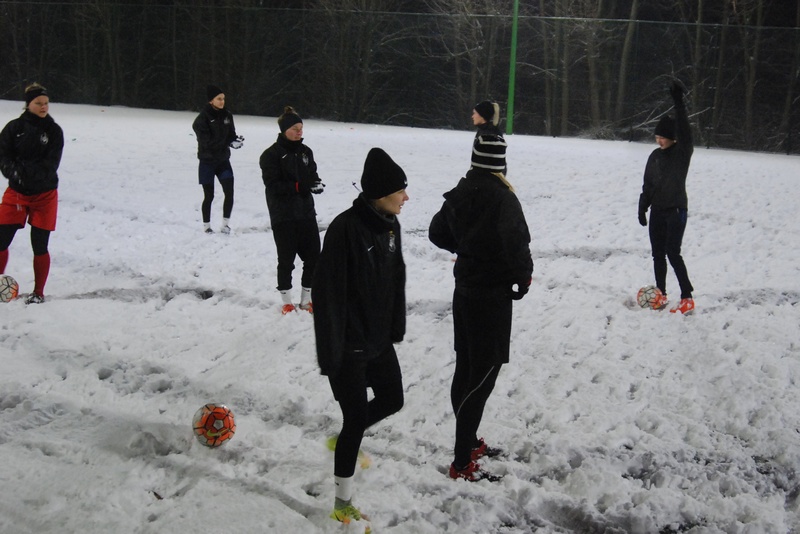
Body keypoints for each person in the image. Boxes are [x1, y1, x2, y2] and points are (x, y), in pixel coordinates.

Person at [429, 106, 533, 481]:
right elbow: (516, 242)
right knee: (484, 374)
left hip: (464, 292)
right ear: (501, 163)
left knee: (467, 366)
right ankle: (461, 462)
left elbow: (436, 233)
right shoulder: (504, 198)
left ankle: (469, 442)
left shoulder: (462, 190)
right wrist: (523, 277)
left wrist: (465, 248)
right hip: (491, 296)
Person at [313, 148, 408, 528]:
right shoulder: (344, 229)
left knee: (393, 399)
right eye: (401, 190)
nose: (406, 197)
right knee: (354, 421)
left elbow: (395, 279)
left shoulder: (390, 225)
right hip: (350, 345)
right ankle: (341, 502)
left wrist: (393, 327)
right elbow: (327, 293)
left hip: (379, 340)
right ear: (381, 193)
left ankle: (343, 440)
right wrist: (332, 352)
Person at [0, 83, 64, 304]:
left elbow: (50, 164)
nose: (44, 107)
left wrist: (26, 172)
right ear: (28, 104)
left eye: (46, 103)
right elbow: (4, 157)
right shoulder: (13, 128)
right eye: (38, 103)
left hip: (44, 196)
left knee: (39, 244)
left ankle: (38, 292)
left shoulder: (54, 131)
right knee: (1, 240)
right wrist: (14, 173)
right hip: (17, 193)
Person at [259, 106, 324, 314]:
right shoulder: (271, 155)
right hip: (283, 216)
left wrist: (316, 184)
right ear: (284, 129)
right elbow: (273, 185)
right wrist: (298, 187)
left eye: (301, 128)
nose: (299, 132)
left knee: (314, 257)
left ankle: (307, 300)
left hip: (306, 213)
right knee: (286, 260)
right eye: (295, 128)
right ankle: (286, 301)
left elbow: (312, 174)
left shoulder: (306, 152)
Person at [638, 81, 695, 315]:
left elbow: (684, 131)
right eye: (657, 136)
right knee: (657, 254)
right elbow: (649, 184)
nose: (659, 140)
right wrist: (643, 207)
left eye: (663, 137)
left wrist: (678, 103)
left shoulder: (681, 154)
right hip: (658, 212)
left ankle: (687, 297)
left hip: (676, 211)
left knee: (673, 252)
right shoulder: (654, 156)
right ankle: (660, 293)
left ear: (673, 138)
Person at [192, 84, 243, 235]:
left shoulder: (227, 115)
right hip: (207, 162)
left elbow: (231, 134)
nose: (222, 101)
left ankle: (225, 224)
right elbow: (206, 142)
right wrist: (227, 142)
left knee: (229, 192)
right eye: (219, 99)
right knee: (209, 195)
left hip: (223, 161)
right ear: (210, 101)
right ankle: (207, 226)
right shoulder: (202, 119)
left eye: (223, 99)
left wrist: (235, 141)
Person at [470, 100, 508, 174]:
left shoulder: (490, 134)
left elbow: (495, 165)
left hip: (487, 181)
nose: (472, 116)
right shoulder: (482, 131)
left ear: (482, 116)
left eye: (475, 113)